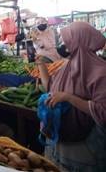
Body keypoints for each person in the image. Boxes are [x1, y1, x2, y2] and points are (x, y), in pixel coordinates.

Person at [37, 22, 106, 172]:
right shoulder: (67, 65)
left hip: (85, 146)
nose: (63, 44)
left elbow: (102, 112)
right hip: (60, 141)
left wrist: (69, 98)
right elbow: (50, 88)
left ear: (80, 41)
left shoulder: (100, 72)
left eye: (66, 40)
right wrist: (40, 64)